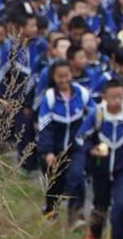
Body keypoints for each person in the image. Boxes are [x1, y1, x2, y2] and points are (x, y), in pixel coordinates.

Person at [78, 74, 123, 239]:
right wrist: (91, 149)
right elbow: (82, 137)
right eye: (113, 97)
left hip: (122, 170)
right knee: (100, 204)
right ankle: (94, 234)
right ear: (104, 96)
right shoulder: (97, 114)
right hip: (100, 169)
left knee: (121, 204)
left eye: (120, 97)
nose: (117, 101)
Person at [36, 58, 92, 220]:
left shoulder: (81, 93)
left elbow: (94, 114)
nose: (63, 80)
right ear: (53, 77)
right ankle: (51, 210)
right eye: (59, 76)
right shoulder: (50, 98)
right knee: (55, 182)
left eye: (66, 75)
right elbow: (45, 127)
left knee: (77, 175)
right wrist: (48, 152)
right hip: (55, 148)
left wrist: (90, 137)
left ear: (71, 74)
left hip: (76, 146)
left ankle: (76, 215)